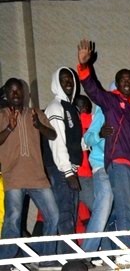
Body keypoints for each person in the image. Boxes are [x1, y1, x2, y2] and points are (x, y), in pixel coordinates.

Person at [77, 39, 130, 256]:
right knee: (119, 208)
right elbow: (93, 90)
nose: (126, 83)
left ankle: (111, 252)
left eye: (129, 81)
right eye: (122, 80)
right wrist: (85, 67)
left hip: (129, 164)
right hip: (110, 163)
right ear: (116, 83)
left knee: (126, 210)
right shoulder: (110, 103)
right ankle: (122, 253)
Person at [0, 78, 59, 271]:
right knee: (13, 219)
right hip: (14, 177)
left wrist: (38, 125)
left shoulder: (36, 113)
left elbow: (52, 135)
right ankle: (4, 262)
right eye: (12, 91)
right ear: (7, 95)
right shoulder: (1, 115)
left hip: (37, 177)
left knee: (53, 216)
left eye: (19, 91)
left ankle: (46, 259)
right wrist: (9, 127)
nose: (16, 94)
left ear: (24, 94)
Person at [43, 66, 82, 242]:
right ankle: (69, 260)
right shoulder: (55, 107)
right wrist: (67, 171)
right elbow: (57, 141)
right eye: (64, 79)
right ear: (56, 83)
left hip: (69, 169)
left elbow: (75, 140)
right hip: (60, 169)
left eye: (71, 79)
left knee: (70, 214)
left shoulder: (71, 108)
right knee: (65, 214)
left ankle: (67, 257)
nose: (68, 82)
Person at [80, 105, 114, 254]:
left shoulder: (128, 111)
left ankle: (108, 251)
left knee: (115, 211)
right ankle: (86, 253)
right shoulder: (103, 110)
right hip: (100, 167)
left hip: (119, 169)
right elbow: (86, 139)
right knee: (101, 209)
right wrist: (99, 134)